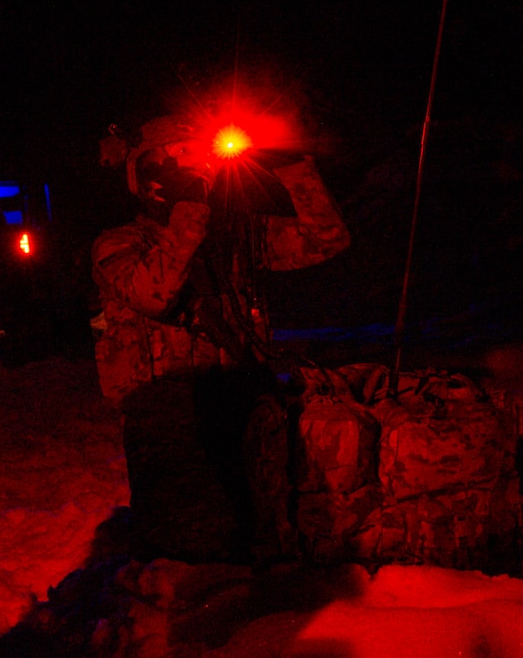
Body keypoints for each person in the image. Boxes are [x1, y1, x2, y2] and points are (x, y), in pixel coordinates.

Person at [93, 113, 350, 563]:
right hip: (167, 412)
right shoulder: (119, 243)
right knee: (190, 548)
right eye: (181, 160)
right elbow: (154, 294)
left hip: (240, 394)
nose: (200, 171)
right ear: (150, 173)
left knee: (263, 530)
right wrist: (187, 213)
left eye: (201, 160)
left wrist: (294, 170)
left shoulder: (234, 234)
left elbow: (325, 240)